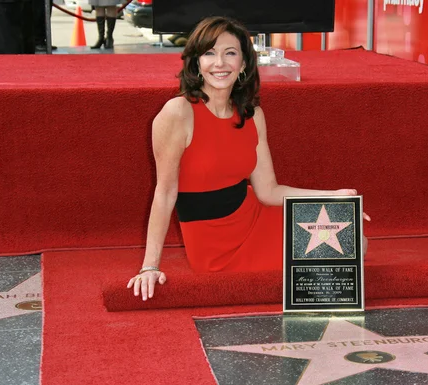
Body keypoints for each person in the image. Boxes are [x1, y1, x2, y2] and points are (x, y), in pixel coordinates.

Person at [127, 16, 370, 301]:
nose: (220, 63)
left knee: (355, 240)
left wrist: (331, 197)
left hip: (253, 214)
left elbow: (268, 191)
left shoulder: (252, 115)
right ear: (196, 63)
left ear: (243, 64)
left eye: (230, 53)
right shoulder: (177, 112)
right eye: (209, 53)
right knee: (341, 247)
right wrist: (150, 266)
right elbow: (165, 192)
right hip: (213, 246)